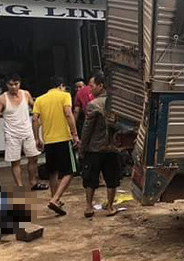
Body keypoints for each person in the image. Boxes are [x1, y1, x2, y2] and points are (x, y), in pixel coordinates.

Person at [0, 74, 47, 190]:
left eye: (16, 84)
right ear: (6, 85)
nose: (13, 87)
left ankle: (33, 182)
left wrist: (41, 119)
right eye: (11, 84)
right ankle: (19, 186)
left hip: (27, 130)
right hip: (11, 133)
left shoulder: (26, 94)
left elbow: (36, 108)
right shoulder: (2, 98)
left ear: (20, 83)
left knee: (33, 157)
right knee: (15, 161)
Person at [32, 76, 80, 216]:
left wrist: (37, 138)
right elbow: (68, 113)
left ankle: (55, 199)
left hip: (49, 140)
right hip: (63, 139)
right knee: (70, 171)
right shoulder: (64, 96)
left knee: (52, 172)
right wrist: (75, 134)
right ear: (61, 85)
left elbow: (35, 119)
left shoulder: (40, 99)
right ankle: (56, 198)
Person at [79, 73, 121, 218]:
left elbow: (87, 129)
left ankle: (89, 207)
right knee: (112, 179)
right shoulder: (117, 104)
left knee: (90, 179)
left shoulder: (93, 105)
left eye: (92, 86)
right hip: (113, 148)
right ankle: (110, 207)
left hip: (95, 148)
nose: (90, 90)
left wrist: (82, 148)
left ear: (101, 86)